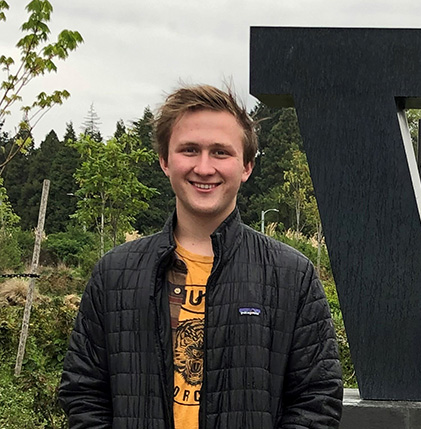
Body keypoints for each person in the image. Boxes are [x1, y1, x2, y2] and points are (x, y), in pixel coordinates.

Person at [58, 84, 343, 428]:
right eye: (189, 150)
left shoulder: (291, 276)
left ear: (247, 166)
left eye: (221, 152)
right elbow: (83, 393)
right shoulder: (114, 274)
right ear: (165, 160)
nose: (204, 168)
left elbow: (316, 401)